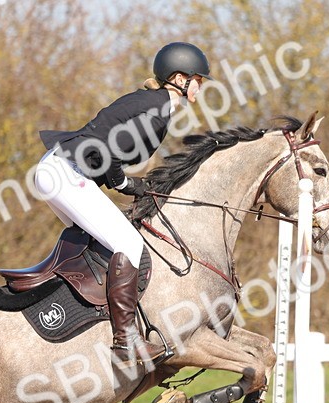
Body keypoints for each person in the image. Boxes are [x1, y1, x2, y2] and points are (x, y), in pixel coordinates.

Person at [35, 42, 211, 368]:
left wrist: (134, 183)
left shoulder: (154, 104)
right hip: (65, 173)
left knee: (97, 239)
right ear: (179, 78)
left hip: (56, 169)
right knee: (128, 242)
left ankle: (77, 312)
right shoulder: (157, 109)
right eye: (198, 79)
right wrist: (123, 184)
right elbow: (110, 151)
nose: (202, 85)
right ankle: (126, 339)